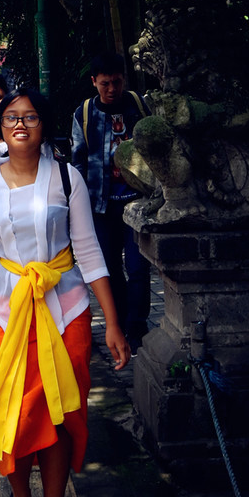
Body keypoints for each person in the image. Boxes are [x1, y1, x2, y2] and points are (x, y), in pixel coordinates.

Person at [0, 89, 129, 497]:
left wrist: (113, 322)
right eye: (11, 116)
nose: (19, 124)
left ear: (43, 124)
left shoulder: (67, 178)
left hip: (65, 310)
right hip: (2, 313)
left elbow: (90, 252)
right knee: (11, 415)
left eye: (30, 116)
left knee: (57, 417)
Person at [70, 52, 150, 350]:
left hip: (138, 203)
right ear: (94, 82)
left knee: (139, 268)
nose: (111, 89)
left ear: (123, 79)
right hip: (101, 207)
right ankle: (119, 322)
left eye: (116, 82)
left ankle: (137, 327)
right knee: (110, 268)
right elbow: (78, 161)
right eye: (105, 84)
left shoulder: (140, 106)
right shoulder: (84, 114)